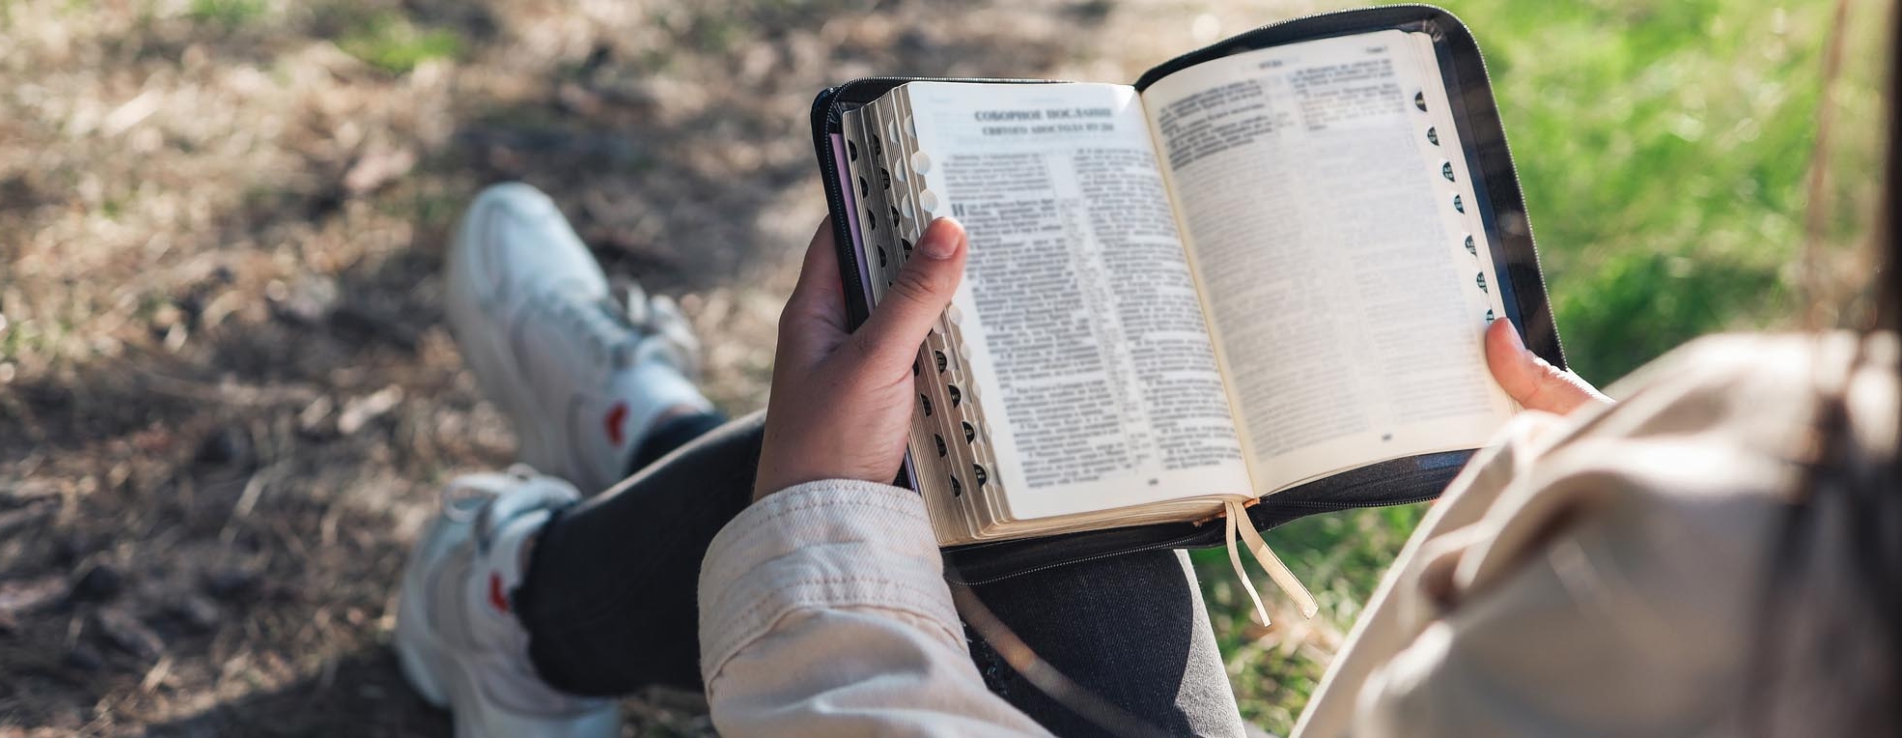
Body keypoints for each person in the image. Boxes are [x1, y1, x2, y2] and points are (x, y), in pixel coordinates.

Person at [393, 28, 1897, 737]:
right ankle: (649, 445)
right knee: (1035, 459)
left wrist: (817, 525)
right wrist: (1566, 497)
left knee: (921, 447)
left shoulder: (1777, 579)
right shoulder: (1804, 516)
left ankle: (525, 605)